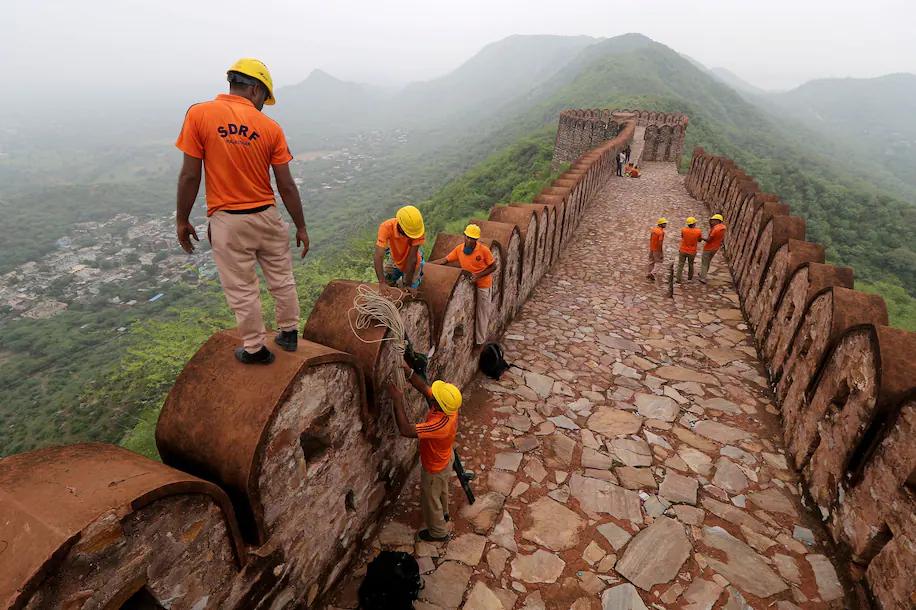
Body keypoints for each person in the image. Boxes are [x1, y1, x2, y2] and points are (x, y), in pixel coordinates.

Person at [175, 58, 309, 365]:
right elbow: (286, 185)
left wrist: (182, 219)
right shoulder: (270, 128)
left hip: (229, 221)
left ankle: (254, 348)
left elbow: (190, 175)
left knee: (242, 287)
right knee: (282, 278)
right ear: (256, 90)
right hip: (267, 215)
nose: (264, 105)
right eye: (265, 98)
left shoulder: (200, 114)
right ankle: (289, 333)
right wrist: (300, 226)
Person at [387, 363, 462, 542]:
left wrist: (397, 400)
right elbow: (424, 388)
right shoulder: (449, 409)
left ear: (438, 404)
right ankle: (443, 514)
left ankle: (438, 532)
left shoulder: (440, 425)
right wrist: (410, 372)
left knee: (431, 500)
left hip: (434, 467)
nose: (432, 395)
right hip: (445, 459)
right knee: (441, 491)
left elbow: (405, 430)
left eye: (434, 397)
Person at [429, 224, 497, 345]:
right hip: (469, 284)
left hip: (483, 284)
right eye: (468, 237)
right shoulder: (459, 249)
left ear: (477, 240)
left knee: (482, 312)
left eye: (473, 239)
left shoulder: (483, 250)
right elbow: (445, 260)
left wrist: (478, 276)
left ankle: (480, 342)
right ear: (464, 236)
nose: (470, 240)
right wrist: (428, 265)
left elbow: (493, 266)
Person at [375, 206, 426, 291]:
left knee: (410, 292)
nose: (410, 236)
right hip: (395, 258)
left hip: (413, 262)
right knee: (387, 284)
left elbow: (412, 259)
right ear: (400, 226)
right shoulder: (386, 227)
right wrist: (382, 282)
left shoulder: (417, 230)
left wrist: (408, 285)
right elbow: (378, 255)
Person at [699, 213, 726, 284]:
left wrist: (701, 238)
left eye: (713, 220)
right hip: (715, 248)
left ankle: (703, 277)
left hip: (709, 248)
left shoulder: (715, 229)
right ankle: (703, 273)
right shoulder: (723, 227)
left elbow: (709, 240)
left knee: (704, 263)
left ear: (718, 221)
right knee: (708, 261)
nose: (712, 222)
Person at [676, 217, 702, 283]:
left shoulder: (684, 230)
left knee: (680, 265)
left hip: (683, 250)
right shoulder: (698, 231)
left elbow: (682, 236)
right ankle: (690, 277)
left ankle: (678, 278)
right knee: (691, 264)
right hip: (692, 251)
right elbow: (699, 240)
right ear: (693, 224)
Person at [646, 217, 667, 282]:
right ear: (661, 224)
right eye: (664, 223)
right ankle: (653, 273)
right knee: (659, 262)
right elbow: (660, 243)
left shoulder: (653, 230)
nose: (666, 224)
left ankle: (649, 273)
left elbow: (651, 238)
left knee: (651, 261)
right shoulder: (661, 232)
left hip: (652, 247)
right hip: (657, 249)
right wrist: (660, 251)